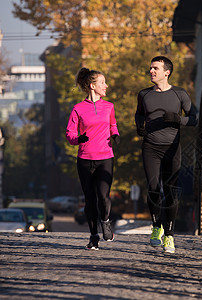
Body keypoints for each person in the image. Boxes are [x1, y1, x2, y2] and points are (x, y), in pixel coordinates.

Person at [135, 56, 198, 253]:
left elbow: (195, 118)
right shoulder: (144, 94)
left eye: (155, 68)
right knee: (154, 188)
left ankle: (169, 236)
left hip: (172, 147)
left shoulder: (179, 94)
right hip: (150, 147)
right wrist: (139, 125)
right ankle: (156, 227)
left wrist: (178, 119)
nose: (151, 71)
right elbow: (139, 113)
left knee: (170, 191)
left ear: (166, 72)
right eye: (150, 67)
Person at [66, 67, 120, 250]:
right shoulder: (78, 109)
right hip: (85, 159)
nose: (106, 85)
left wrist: (115, 134)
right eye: (102, 82)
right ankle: (93, 236)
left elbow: (113, 124)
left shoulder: (109, 106)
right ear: (92, 86)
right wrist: (78, 139)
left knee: (103, 197)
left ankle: (105, 221)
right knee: (89, 199)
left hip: (105, 157)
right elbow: (70, 133)